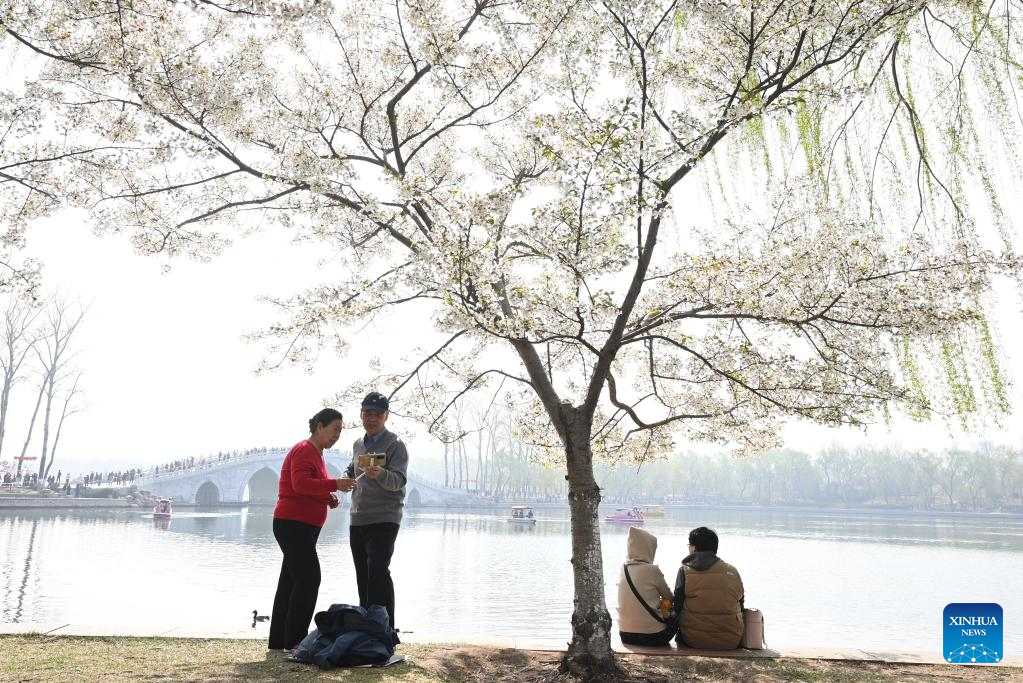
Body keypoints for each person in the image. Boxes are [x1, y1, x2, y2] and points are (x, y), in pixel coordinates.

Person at [268, 408, 347, 651]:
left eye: (340, 432)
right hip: (293, 525)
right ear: (319, 426)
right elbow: (299, 484)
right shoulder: (304, 449)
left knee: (291, 581)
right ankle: (296, 641)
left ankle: (279, 641)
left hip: (304, 527)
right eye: (334, 429)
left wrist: (327, 497)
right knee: (310, 578)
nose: (336, 436)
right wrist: (335, 483)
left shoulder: (317, 454)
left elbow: (310, 486)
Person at [339, 391, 409, 629]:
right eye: (367, 413)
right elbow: (352, 468)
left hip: (385, 518)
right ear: (361, 415)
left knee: (378, 571)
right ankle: (367, 626)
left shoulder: (396, 445)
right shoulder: (358, 444)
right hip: (358, 518)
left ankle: (385, 629)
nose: (372, 418)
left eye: (377, 414)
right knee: (363, 574)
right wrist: (345, 479)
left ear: (386, 416)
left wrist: (380, 474)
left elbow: (399, 481)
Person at [672, 526, 744, 650]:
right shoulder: (732, 571)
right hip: (730, 640)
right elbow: (741, 604)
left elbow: (677, 606)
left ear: (693, 548)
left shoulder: (684, 571)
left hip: (693, 639)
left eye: (689, 545)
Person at [617, 526, 676, 646]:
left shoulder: (623, 569)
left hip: (625, 635)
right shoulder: (652, 570)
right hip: (653, 636)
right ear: (649, 549)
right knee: (677, 612)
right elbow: (669, 596)